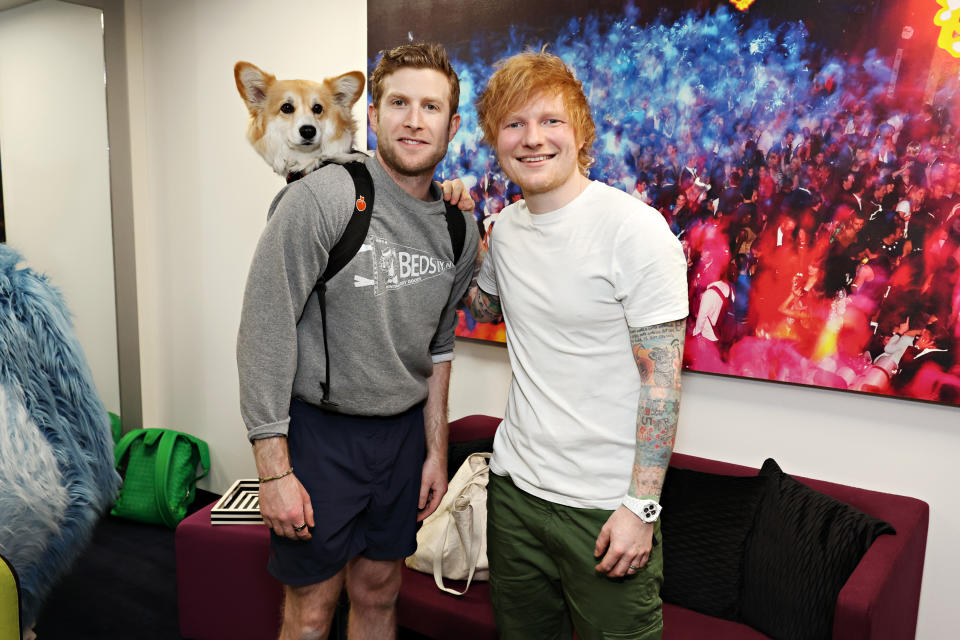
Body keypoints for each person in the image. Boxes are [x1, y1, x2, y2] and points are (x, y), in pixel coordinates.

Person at [236, 42, 479, 640]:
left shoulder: (458, 225)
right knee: (312, 608)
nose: (414, 120)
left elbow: (440, 347)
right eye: (399, 102)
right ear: (373, 117)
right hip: (321, 437)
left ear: (452, 124)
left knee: (380, 594)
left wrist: (435, 453)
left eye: (431, 107)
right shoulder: (322, 197)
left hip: (399, 440)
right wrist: (273, 473)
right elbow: (262, 332)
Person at [468, 50, 688, 640]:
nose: (532, 139)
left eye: (551, 121)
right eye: (514, 124)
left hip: (603, 507)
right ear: (496, 140)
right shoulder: (504, 229)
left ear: (581, 131)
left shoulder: (635, 231)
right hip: (514, 493)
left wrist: (641, 508)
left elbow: (661, 383)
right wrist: (460, 227)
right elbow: (484, 308)